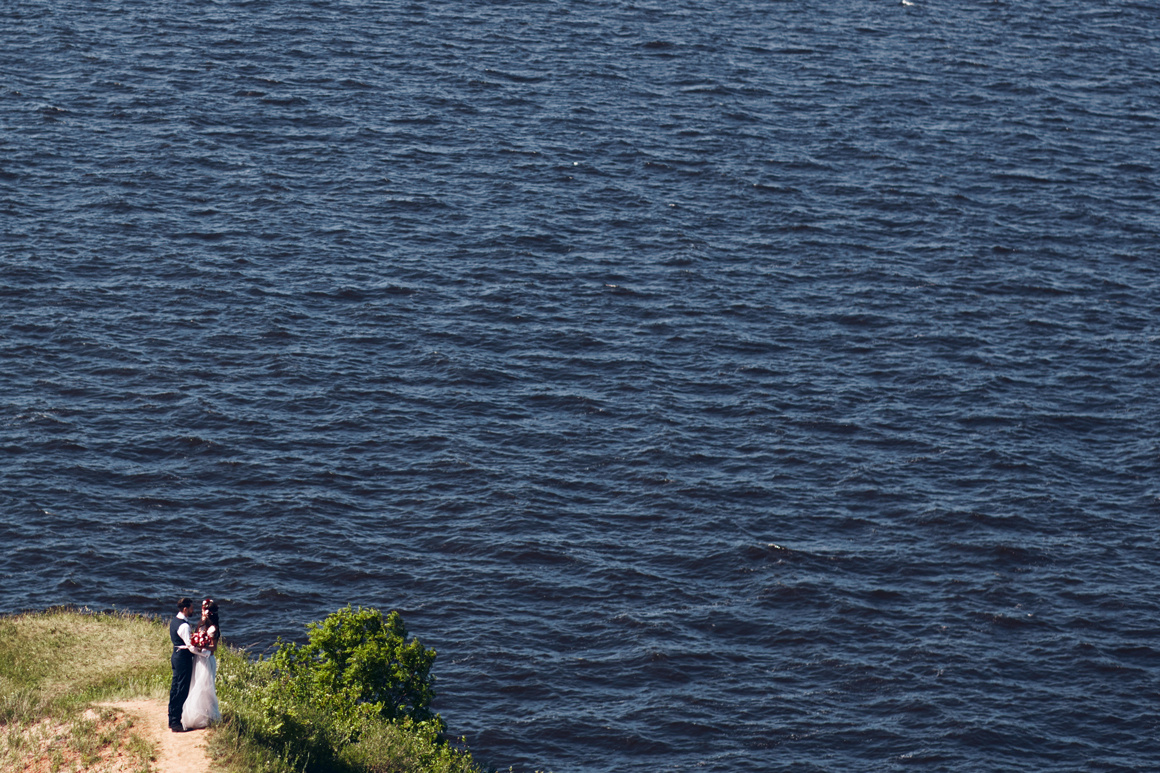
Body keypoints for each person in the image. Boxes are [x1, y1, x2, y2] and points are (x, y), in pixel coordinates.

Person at [181, 598, 222, 729]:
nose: (201, 612)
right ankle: (197, 715)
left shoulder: (213, 628)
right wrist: (197, 643)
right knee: (196, 683)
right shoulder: (202, 624)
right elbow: (198, 635)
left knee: (205, 687)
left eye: (204, 611)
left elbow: (214, 647)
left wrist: (202, 646)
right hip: (199, 659)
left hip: (207, 659)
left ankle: (207, 716)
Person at [167, 597, 196, 732]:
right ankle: (175, 722)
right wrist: (205, 653)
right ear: (185, 609)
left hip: (176, 656)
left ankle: (171, 717)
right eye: (191, 608)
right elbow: (190, 646)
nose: (192, 610)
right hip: (183, 658)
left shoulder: (175, 621)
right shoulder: (184, 626)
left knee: (175, 687)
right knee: (181, 689)